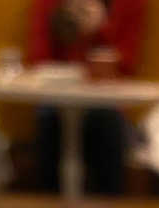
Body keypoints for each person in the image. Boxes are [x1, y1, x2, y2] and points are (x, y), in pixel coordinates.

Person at [27, 0, 147, 195]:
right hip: (55, 100)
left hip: (107, 102)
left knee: (108, 124)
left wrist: (99, 30)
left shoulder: (128, 4)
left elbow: (127, 64)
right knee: (49, 122)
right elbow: (38, 60)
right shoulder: (47, 4)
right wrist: (67, 26)